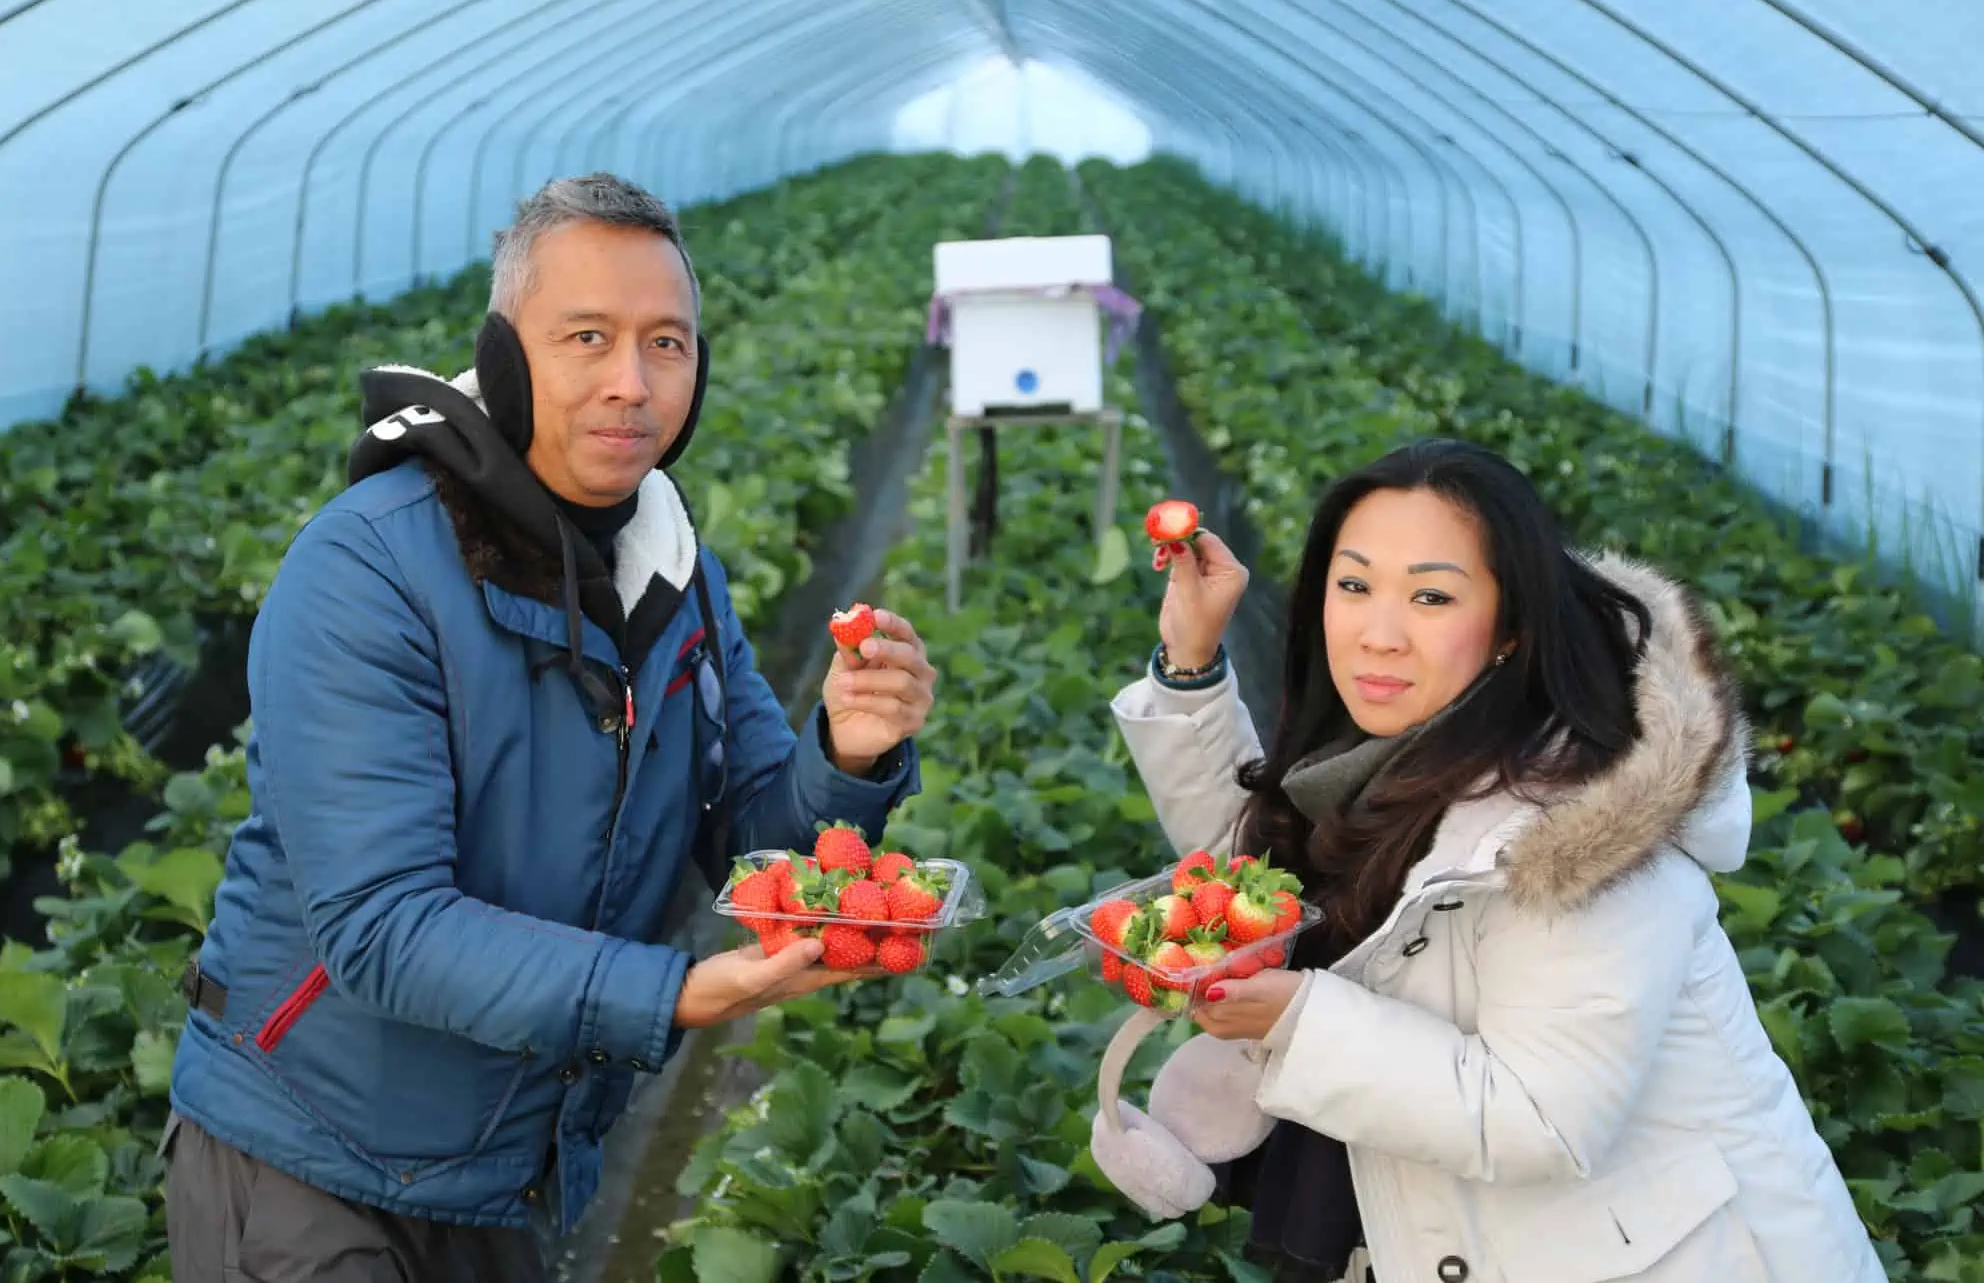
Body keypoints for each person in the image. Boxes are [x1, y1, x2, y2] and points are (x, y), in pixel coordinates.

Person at [162, 174, 936, 1280]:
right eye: (587, 337)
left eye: (666, 343)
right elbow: (383, 926)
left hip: (512, 1161)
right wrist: (675, 992)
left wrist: (849, 752)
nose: (631, 383)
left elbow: (754, 827)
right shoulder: (368, 569)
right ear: (506, 358)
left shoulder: (673, 572)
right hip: (311, 1160)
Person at [1107, 438, 1886, 1283]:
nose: (1380, 633)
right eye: (1354, 584)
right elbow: (1261, 875)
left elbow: (1542, 1117)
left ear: (1512, 626)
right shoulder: (1392, 763)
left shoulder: (1582, 826)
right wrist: (1190, 664)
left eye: (1432, 596)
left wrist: (1298, 1019)